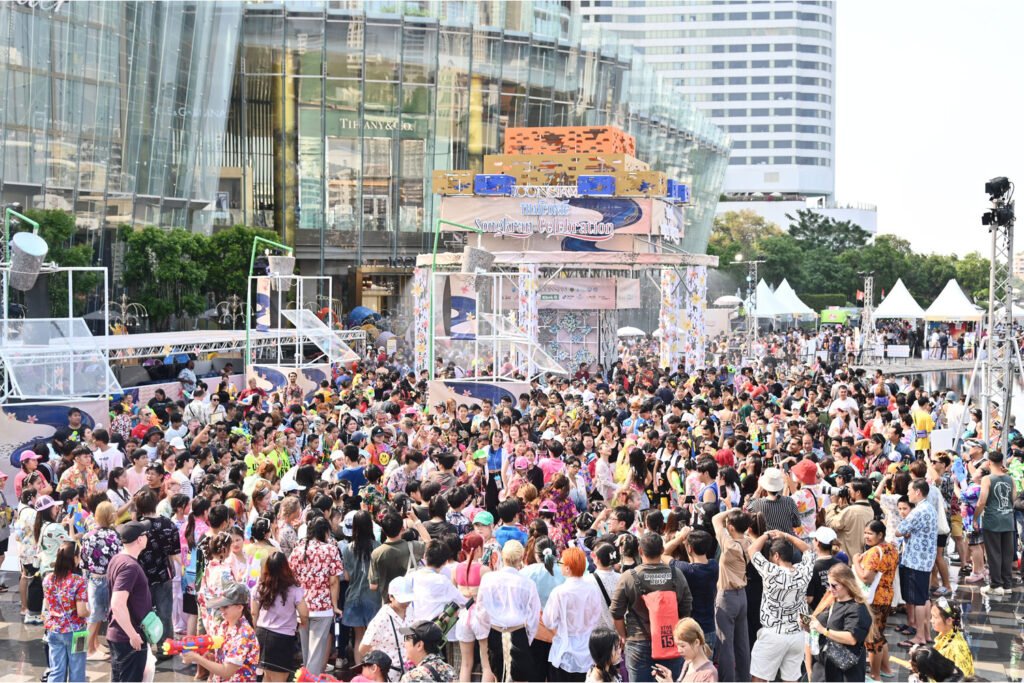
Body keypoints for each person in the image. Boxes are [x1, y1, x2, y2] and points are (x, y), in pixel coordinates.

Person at [609, 532, 693, 683]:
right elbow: (686, 608)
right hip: (670, 640)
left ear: (640, 551)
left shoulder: (629, 576)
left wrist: (623, 635)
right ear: (662, 551)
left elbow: (616, 612)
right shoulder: (676, 574)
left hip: (638, 641)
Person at [746, 528, 815, 683]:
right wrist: (786, 535)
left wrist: (765, 535)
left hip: (773, 634)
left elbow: (752, 549)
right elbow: (808, 549)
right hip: (797, 634)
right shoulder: (803, 572)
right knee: (791, 679)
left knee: (760, 677)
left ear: (776, 556)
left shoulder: (771, 571)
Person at [476, 540, 541, 683]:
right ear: (521, 558)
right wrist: (527, 637)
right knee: (519, 679)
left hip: (496, 632)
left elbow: (480, 610)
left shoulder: (489, 579)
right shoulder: (527, 583)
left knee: (498, 677)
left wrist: (485, 631)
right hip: (517, 633)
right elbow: (534, 615)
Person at [288, 516, 343, 676]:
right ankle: (310, 679)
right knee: (316, 652)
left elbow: (291, 578)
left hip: (301, 605)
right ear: (326, 532)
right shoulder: (330, 549)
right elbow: (334, 581)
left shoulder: (298, 550)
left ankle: (305, 677)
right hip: (323, 606)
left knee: (307, 651)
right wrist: (335, 605)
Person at [543, 547, 606, 681]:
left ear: (567, 568)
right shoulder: (592, 589)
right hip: (588, 649)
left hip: (564, 650)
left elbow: (548, 621)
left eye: (561, 563)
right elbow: (597, 616)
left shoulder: (559, 592)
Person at [181, 582, 260, 682]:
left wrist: (197, 658)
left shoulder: (244, 634)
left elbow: (227, 672)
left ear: (240, 607)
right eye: (221, 606)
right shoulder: (224, 625)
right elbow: (222, 659)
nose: (221, 610)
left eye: (226, 606)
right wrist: (209, 657)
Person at [108, 521, 154, 682]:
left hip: (121, 635)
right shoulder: (130, 567)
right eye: (145, 534)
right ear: (140, 540)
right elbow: (118, 603)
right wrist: (133, 635)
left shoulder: (118, 559)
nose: (148, 536)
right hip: (128, 638)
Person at [252, 551, 308, 682]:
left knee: (267, 676)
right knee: (280, 678)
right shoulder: (294, 589)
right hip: (282, 638)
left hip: (261, 634)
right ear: (285, 567)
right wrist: (301, 624)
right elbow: (304, 613)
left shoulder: (260, 586)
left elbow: (254, 613)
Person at [852, 520, 898, 681]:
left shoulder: (873, 553)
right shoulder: (891, 548)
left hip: (874, 599)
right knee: (879, 635)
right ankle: (886, 669)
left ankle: (875, 675)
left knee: (872, 639)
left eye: (870, 533)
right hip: (886, 596)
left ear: (880, 535)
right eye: (865, 533)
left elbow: (866, 578)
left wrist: (856, 562)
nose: (866, 536)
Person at [812, 563, 873, 683]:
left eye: (834, 585)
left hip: (845, 673)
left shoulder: (857, 608)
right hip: (824, 668)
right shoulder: (831, 602)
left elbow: (851, 638)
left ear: (847, 584)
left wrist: (823, 630)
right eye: (828, 585)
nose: (830, 589)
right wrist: (809, 625)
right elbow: (823, 626)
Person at [896, 479, 938, 648]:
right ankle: (926, 634)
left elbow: (900, 531)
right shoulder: (929, 507)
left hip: (916, 560)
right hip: (925, 559)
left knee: (918, 600)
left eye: (909, 490)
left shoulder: (918, 511)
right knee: (924, 598)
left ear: (918, 492)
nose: (908, 493)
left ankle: (920, 635)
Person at [712, 509, 752, 683]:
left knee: (725, 645)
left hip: (727, 596)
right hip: (742, 596)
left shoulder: (728, 545)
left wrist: (731, 509)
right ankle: (744, 679)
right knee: (743, 644)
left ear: (731, 527)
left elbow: (715, 519)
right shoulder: (749, 543)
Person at [79, 501, 123, 659]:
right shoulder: (114, 535)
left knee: (94, 616)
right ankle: (84, 651)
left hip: (92, 579)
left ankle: (91, 646)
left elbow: (83, 562)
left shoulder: (87, 536)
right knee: (96, 617)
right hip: (108, 579)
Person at [43, 541, 89, 683]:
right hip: (77, 631)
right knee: (77, 671)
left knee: (56, 670)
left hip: (54, 629)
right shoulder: (79, 581)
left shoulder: (48, 578)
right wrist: (90, 611)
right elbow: (81, 612)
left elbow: (47, 606)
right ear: (74, 558)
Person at [975, 449, 1016, 595]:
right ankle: (1007, 584)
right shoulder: (1010, 479)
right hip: (1008, 519)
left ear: (990, 462)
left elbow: (981, 501)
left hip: (992, 520)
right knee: (1007, 553)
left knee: (994, 553)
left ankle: (996, 585)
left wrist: (975, 518)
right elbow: (1014, 499)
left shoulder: (987, 479)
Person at [359, 576, 414, 683]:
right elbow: (363, 648)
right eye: (402, 600)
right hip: (389, 675)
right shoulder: (382, 618)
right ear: (391, 597)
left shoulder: (411, 611)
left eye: (408, 599)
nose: (406, 603)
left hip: (409, 673)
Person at [342, 510, 382, 652]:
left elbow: (346, 577)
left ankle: (359, 668)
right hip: (373, 597)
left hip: (354, 595)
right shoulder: (378, 547)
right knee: (373, 638)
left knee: (359, 637)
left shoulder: (348, 549)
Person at [652, 618, 718, 683]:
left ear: (696, 642)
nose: (679, 650)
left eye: (682, 646)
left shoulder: (709, 674)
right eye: (677, 646)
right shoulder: (687, 663)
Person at [931, 597, 974, 679]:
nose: (931, 620)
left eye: (934, 617)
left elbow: (960, 679)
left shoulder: (955, 649)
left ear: (949, 620)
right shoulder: (947, 634)